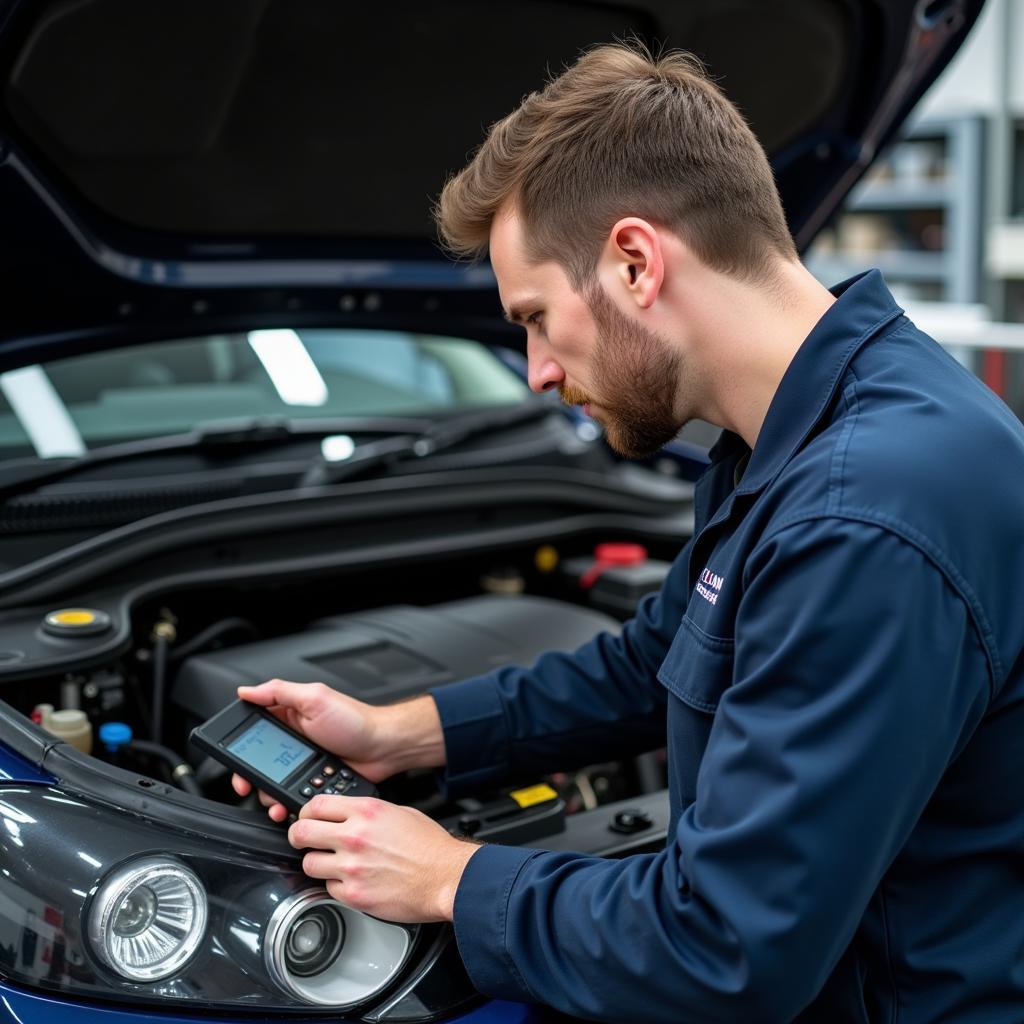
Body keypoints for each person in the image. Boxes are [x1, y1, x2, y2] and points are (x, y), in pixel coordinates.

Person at [232, 43, 1024, 1023]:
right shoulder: (798, 430)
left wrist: (453, 875)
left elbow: (722, 947)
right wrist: (403, 734)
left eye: (534, 318)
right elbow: (663, 656)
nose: (535, 370)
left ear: (636, 262)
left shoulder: (860, 515)